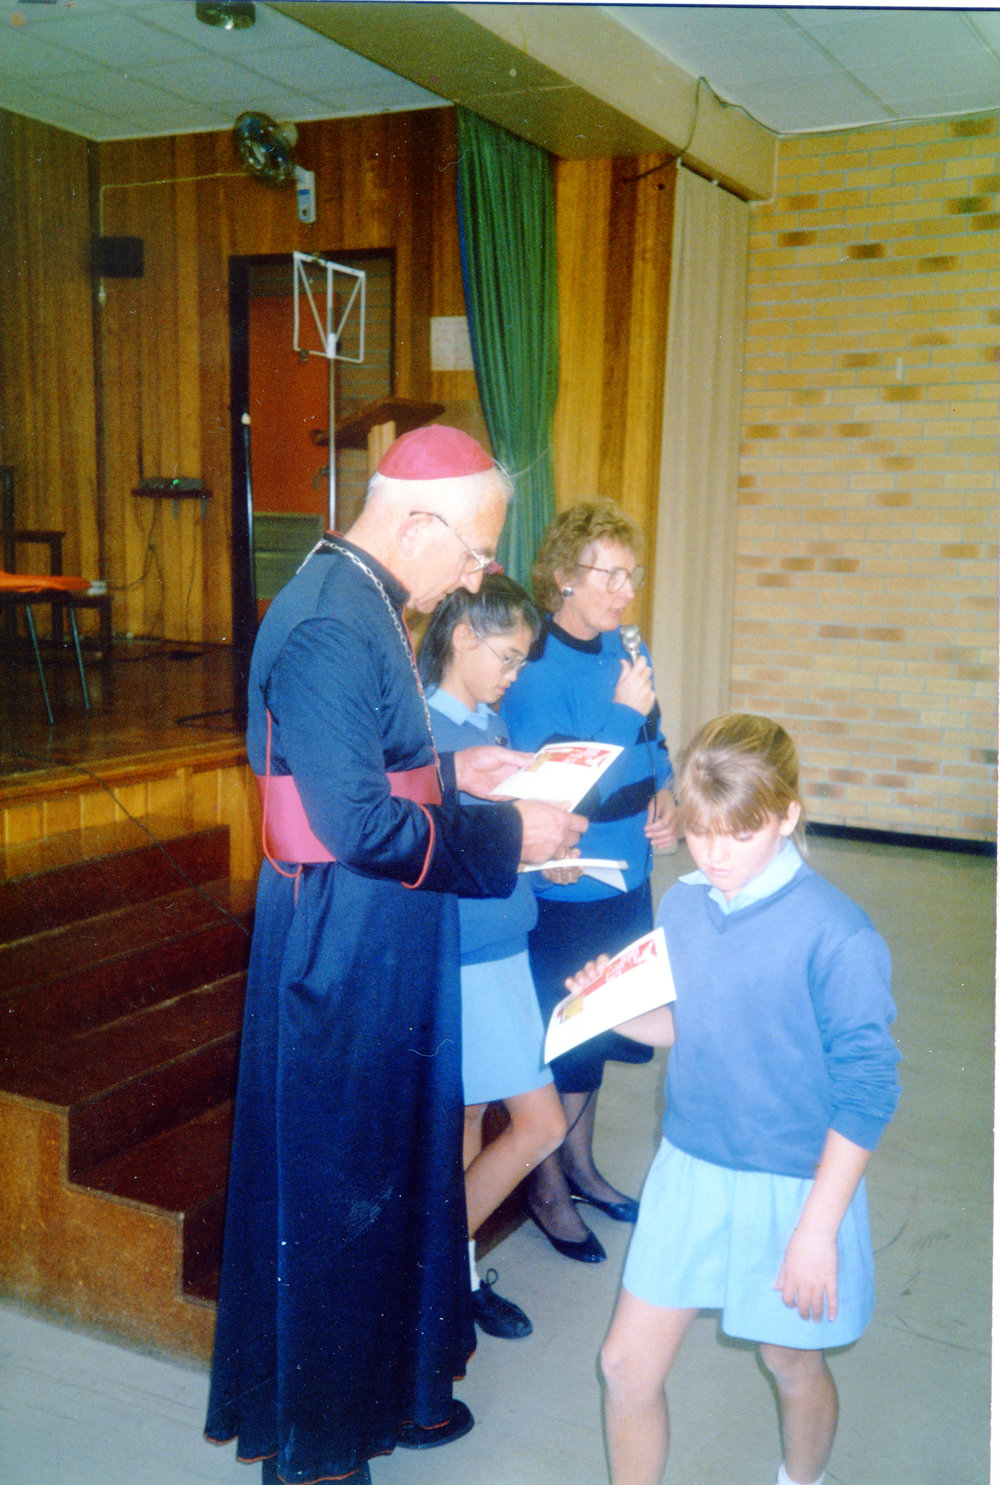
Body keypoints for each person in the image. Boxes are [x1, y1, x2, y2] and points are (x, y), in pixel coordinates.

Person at [204, 425, 586, 1485]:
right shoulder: (331, 623)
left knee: (384, 1179)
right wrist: (513, 837)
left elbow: (383, 787)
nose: (473, 578)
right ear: (418, 520)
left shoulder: (364, 600)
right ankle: (320, 1458)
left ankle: (376, 1398)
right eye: (469, 554)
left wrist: (470, 780)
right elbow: (358, 828)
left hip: (380, 939)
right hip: (340, 955)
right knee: (340, 1199)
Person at [566, 713, 901, 1485]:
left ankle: (799, 1479)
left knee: (789, 1358)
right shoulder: (684, 903)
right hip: (690, 1165)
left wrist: (818, 1229)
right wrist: (607, 1007)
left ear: (787, 814)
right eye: (700, 830)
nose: (715, 854)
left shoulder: (838, 934)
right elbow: (687, 1024)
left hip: (795, 1182)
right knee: (623, 1366)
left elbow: (868, 1092)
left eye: (739, 833)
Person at [501, 499, 677, 1263]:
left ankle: (582, 1164)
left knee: (609, 1024)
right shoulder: (535, 667)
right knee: (568, 1033)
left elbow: (652, 730)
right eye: (613, 575)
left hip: (630, 868)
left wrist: (665, 789)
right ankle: (545, 1189)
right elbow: (555, 789)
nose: (627, 590)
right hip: (573, 878)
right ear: (566, 577)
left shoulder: (625, 641)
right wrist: (618, 712)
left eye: (632, 575)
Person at [419, 573, 569, 1340]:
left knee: (474, 1112)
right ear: (462, 637)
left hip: (502, 940)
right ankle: (438, 1270)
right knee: (540, 1124)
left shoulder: (488, 721)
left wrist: (548, 855)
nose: (514, 675)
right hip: (469, 952)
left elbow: (496, 844)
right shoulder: (428, 735)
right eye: (506, 657)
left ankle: (457, 1275)